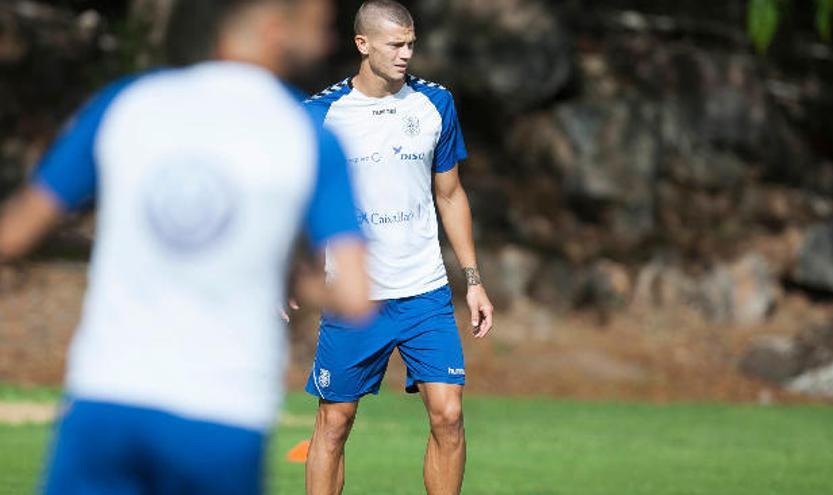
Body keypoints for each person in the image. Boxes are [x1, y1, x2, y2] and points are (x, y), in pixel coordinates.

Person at [0, 1, 370, 493]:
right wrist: (282, 275)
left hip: (107, 395)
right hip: (221, 411)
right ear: (275, 30)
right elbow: (356, 296)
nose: (328, 44)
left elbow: (14, 234)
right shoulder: (306, 136)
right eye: (320, 28)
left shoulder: (126, 103)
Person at [301, 1, 494, 494]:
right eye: (396, 44)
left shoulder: (435, 105)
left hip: (424, 292)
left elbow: (449, 194)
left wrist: (472, 281)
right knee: (335, 422)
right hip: (353, 297)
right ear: (362, 44)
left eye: (411, 43)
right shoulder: (320, 115)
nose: (407, 53)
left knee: (448, 415)